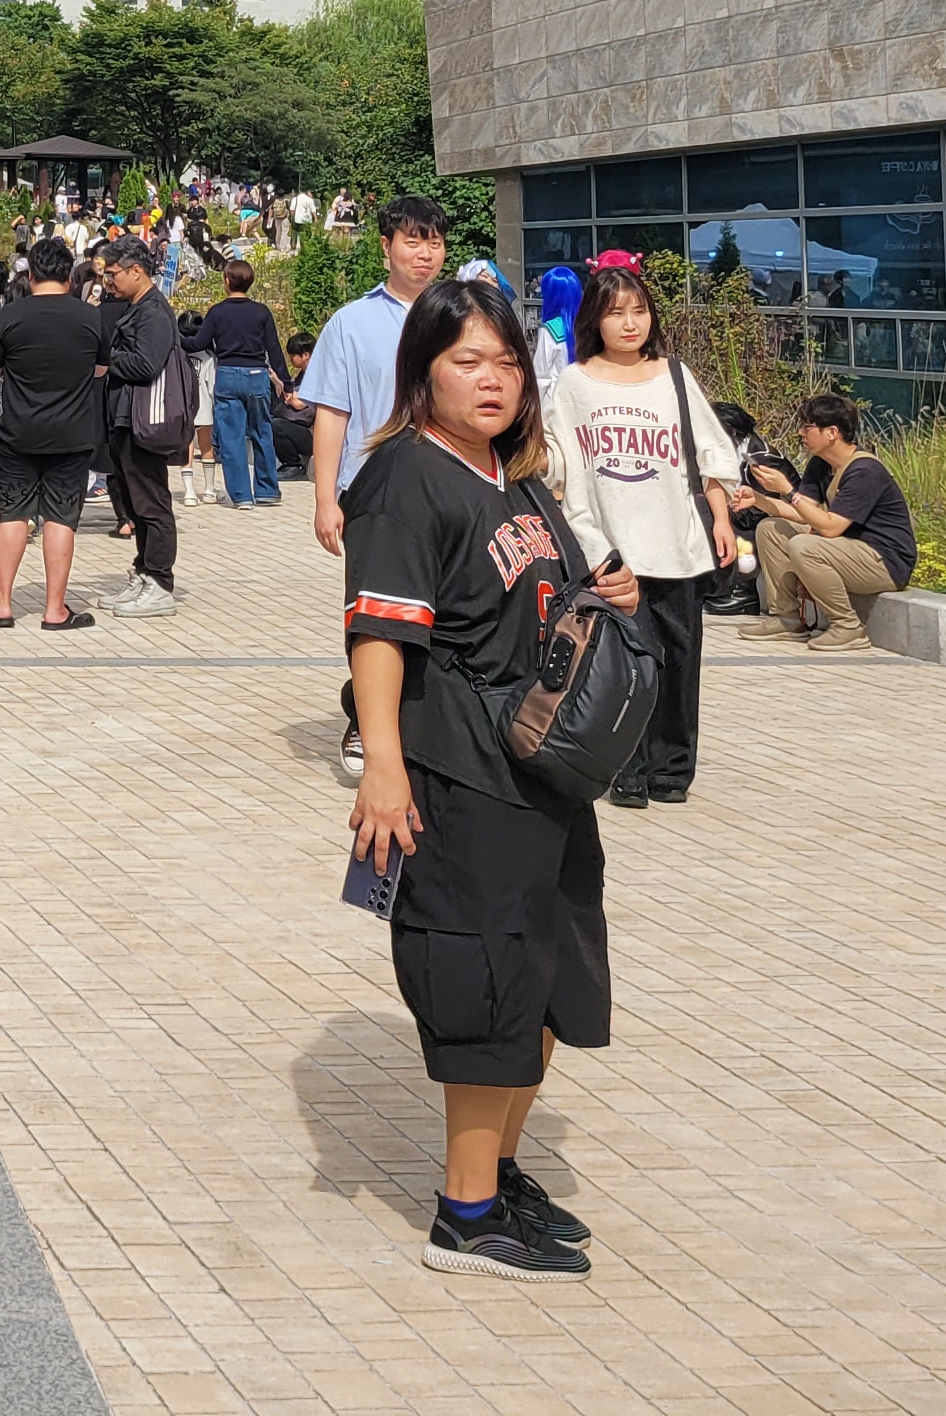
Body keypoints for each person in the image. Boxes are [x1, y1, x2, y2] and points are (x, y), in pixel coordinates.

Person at [344, 275, 640, 1281]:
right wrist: (384, 769)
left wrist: (604, 589)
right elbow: (378, 637)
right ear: (421, 373)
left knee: (547, 978)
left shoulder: (512, 474)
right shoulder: (404, 478)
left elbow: (538, 591)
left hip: (539, 772)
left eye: (507, 362)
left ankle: (501, 1173)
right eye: (467, 361)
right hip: (459, 773)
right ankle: (464, 1216)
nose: (492, 380)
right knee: (483, 980)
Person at [546, 262, 737, 806]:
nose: (630, 324)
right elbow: (558, 460)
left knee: (679, 663)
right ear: (594, 319)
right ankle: (625, 770)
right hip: (608, 549)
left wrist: (722, 519)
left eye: (639, 311)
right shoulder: (575, 383)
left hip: (677, 545)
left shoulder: (673, 375)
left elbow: (710, 452)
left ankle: (672, 770)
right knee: (623, 666)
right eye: (615, 313)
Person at [302, 193, 453, 776]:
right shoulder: (351, 323)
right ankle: (365, 718)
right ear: (386, 247)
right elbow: (332, 412)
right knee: (376, 617)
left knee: (446, 615)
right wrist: (325, 499)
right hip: (374, 493)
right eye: (413, 241)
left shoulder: (461, 316)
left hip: (450, 487)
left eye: (434, 242)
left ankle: (430, 728)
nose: (425, 253)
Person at [0, 235, 108, 630]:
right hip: (71, 432)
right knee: (61, 518)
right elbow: (101, 369)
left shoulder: (9, 316)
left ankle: (2, 605)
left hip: (18, 431)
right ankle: (54, 609)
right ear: (69, 276)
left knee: (12, 514)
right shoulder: (90, 317)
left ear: (30, 274)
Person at [732, 395, 915, 649]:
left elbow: (830, 527)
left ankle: (848, 626)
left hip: (884, 561)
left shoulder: (864, 470)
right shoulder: (821, 464)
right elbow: (803, 512)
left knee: (803, 546)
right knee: (770, 528)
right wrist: (760, 499)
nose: (800, 433)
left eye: (807, 427)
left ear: (832, 433)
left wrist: (787, 489)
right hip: (849, 548)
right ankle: (787, 619)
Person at [98, 239, 185, 614]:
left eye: (112, 274)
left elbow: (147, 364)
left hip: (144, 421)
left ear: (136, 271)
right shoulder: (137, 307)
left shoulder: (153, 311)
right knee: (136, 503)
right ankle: (144, 571)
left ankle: (160, 582)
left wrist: (107, 357)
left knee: (152, 503)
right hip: (125, 418)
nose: (108, 281)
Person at [185, 262, 290, 507]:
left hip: (228, 374)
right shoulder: (261, 312)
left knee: (231, 437)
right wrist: (287, 383)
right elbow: (274, 349)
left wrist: (175, 338)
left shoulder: (217, 312)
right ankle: (267, 490)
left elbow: (198, 343)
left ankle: (242, 495)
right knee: (262, 431)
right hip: (257, 375)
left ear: (227, 281)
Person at [274, 331, 318, 480]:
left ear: (305, 355)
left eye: (293, 355)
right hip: (300, 428)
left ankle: (293, 465)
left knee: (277, 426)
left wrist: (283, 388)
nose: (291, 359)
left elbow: (301, 404)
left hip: (312, 434)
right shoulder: (302, 375)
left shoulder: (316, 376)